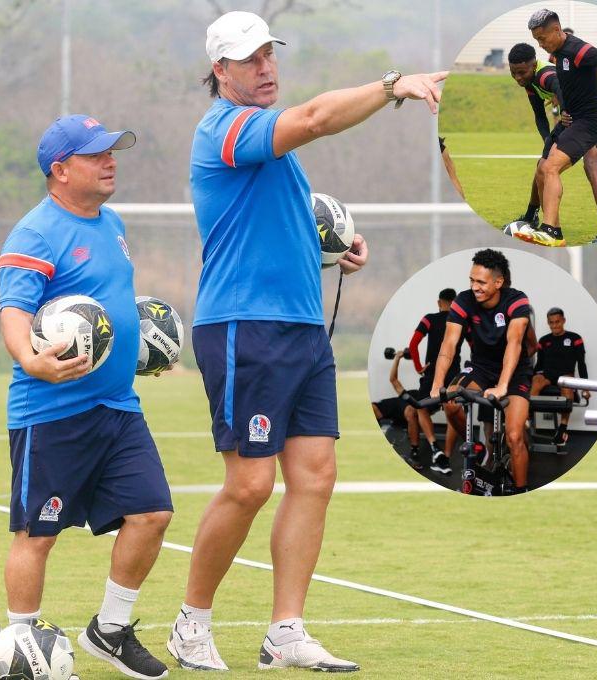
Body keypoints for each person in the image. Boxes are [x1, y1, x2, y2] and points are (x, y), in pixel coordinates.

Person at [167, 10, 445, 672]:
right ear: (219, 72)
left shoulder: (272, 149)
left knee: (315, 476)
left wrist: (332, 248)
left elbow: (275, 218)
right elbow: (318, 118)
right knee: (250, 484)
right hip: (243, 326)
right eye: (247, 60)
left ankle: (285, 631)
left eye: (269, 55)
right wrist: (391, 85)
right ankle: (190, 623)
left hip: (299, 326)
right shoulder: (227, 129)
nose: (264, 68)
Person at [0, 114, 173, 680]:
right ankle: (21, 649)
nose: (110, 161)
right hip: (51, 413)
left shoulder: (112, 222)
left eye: (113, 151)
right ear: (60, 169)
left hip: (118, 408)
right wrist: (30, 360)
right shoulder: (34, 232)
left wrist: (138, 351)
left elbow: (105, 304)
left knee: (152, 513)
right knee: (37, 535)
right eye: (97, 154)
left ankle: (110, 631)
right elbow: (15, 313)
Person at [527, 8, 597, 246]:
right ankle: (541, 223)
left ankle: (560, 230)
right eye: (537, 40)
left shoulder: (579, 51)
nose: (541, 45)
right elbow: (566, 86)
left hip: (591, 121)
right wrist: (563, 109)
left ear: (556, 30)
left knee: (577, 165)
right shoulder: (556, 54)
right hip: (574, 120)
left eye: (542, 39)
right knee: (543, 166)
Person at [430, 249, 533, 494]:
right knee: (452, 403)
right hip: (481, 368)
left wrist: (502, 386)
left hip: (515, 371)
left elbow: (515, 343)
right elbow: (449, 343)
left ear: (498, 282)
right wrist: (437, 384)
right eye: (471, 280)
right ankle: (478, 447)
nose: (474, 286)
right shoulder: (463, 301)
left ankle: (522, 492)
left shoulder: (517, 300)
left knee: (515, 436)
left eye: (481, 282)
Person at [507, 42, 597, 241]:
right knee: (543, 163)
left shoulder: (544, 75)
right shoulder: (530, 82)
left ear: (532, 65)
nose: (517, 78)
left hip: (596, 114)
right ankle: (539, 221)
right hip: (573, 116)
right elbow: (539, 116)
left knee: (591, 165)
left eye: (521, 72)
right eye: (513, 73)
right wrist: (547, 140)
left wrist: (565, 109)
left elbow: (559, 85)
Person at [407, 288, 463, 474]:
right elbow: (475, 345)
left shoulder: (429, 318)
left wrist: (418, 366)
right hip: (453, 373)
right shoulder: (460, 321)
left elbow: (413, 344)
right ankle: (445, 457)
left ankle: (434, 447)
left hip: (432, 373)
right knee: (452, 413)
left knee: (420, 407)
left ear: (439, 303)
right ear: (454, 303)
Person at [531, 307, 591, 445]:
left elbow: (581, 364)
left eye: (557, 322)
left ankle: (562, 430)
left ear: (563, 321)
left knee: (568, 383)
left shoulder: (575, 339)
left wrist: (585, 388)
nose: (554, 325)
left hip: (565, 376)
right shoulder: (543, 341)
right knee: (536, 380)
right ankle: (526, 420)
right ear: (548, 323)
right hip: (547, 376)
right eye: (551, 323)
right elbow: (539, 365)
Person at [370, 347, 423, 469]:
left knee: (411, 412)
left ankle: (414, 451)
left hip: (408, 411)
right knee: (372, 407)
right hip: (394, 406)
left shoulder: (429, 397)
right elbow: (393, 380)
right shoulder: (412, 392)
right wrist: (397, 358)